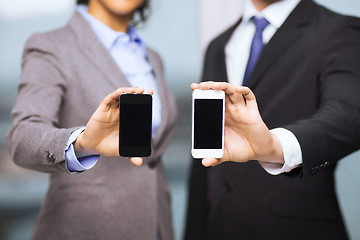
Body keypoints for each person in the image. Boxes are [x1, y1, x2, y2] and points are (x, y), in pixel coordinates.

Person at [185, 0, 360, 239]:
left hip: (296, 230)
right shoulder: (218, 45)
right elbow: (203, 157)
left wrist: (275, 145)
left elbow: (349, 113)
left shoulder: (339, 29)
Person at [6, 0, 178, 239]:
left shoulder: (152, 57)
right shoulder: (52, 46)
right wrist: (82, 142)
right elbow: (22, 137)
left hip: (156, 226)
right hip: (85, 227)